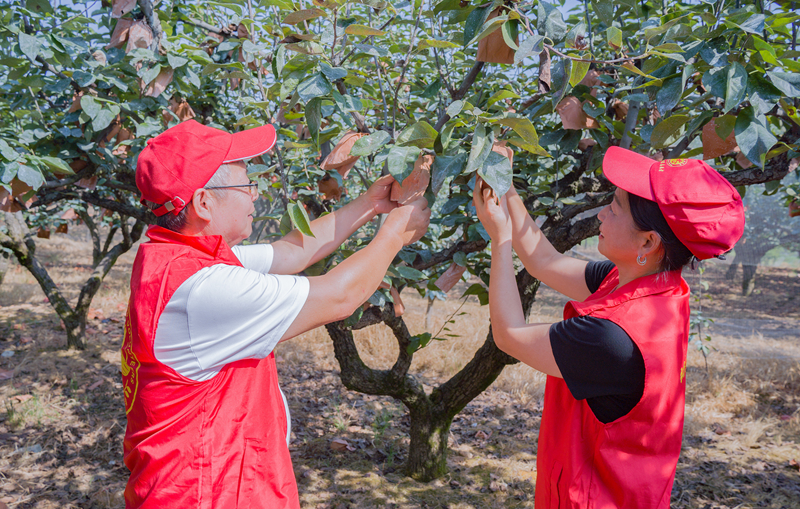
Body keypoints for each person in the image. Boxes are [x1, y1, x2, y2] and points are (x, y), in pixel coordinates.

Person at [121, 120, 430, 508]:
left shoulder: (173, 259)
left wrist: (370, 206)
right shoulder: (206, 289)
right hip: (206, 492)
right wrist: (395, 234)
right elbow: (340, 296)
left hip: (204, 480)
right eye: (246, 184)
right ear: (203, 202)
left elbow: (291, 252)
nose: (255, 195)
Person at [473, 146, 744, 508]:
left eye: (615, 206)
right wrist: (504, 187)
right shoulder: (652, 288)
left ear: (648, 241)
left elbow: (509, 335)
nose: (602, 213)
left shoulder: (611, 339)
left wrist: (499, 237)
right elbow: (542, 260)